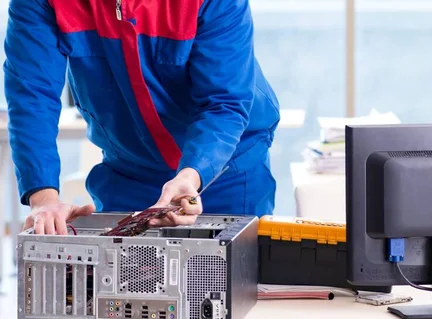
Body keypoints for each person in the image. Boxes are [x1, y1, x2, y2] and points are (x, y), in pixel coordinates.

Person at [4, 0, 279, 235]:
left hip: (226, 167)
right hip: (128, 171)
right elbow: (32, 96)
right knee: (116, 289)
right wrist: (44, 198)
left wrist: (191, 175)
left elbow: (223, 102)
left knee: (236, 287)